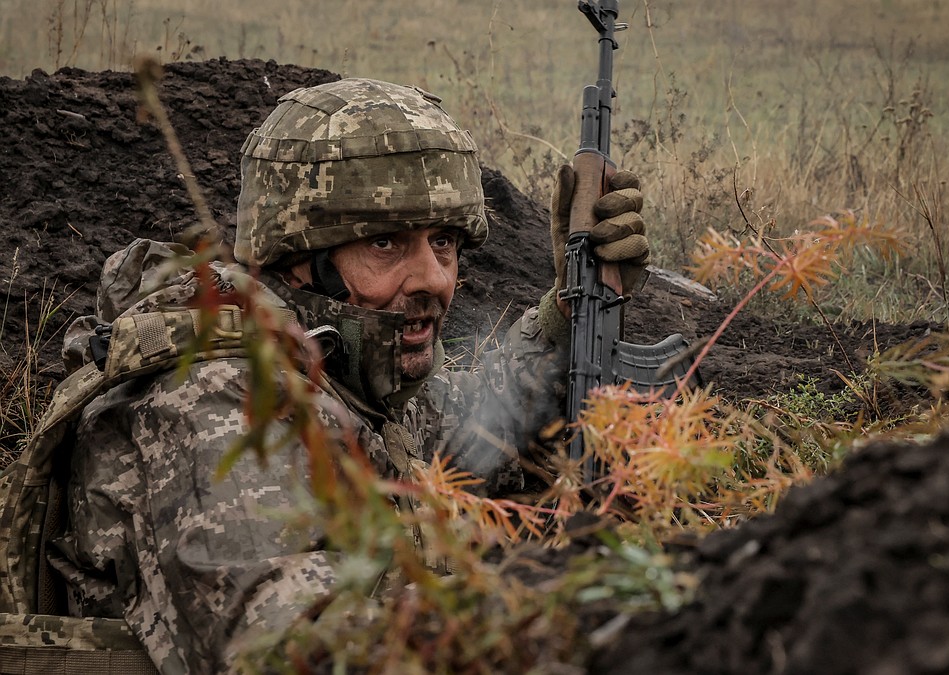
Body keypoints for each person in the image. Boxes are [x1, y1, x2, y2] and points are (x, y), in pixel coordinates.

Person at [0, 77, 650, 673]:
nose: (432, 279)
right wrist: (544, 615)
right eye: (387, 244)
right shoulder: (221, 397)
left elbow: (470, 435)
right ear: (298, 259)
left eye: (444, 243)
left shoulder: (346, 362)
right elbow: (294, 651)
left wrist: (570, 312)